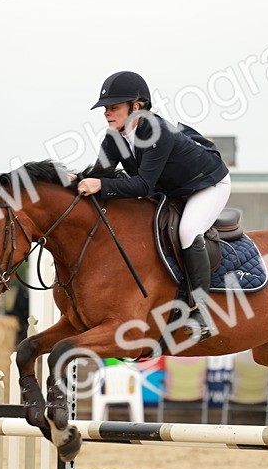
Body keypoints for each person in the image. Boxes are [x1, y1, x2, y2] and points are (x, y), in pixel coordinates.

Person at [74, 70, 231, 342]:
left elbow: (144, 186)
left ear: (136, 107)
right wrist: (75, 181)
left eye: (113, 108)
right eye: (105, 109)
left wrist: (99, 184)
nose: (106, 114)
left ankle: (203, 313)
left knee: (188, 230)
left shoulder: (157, 132)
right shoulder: (115, 137)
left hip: (208, 185)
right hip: (173, 189)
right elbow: (102, 176)